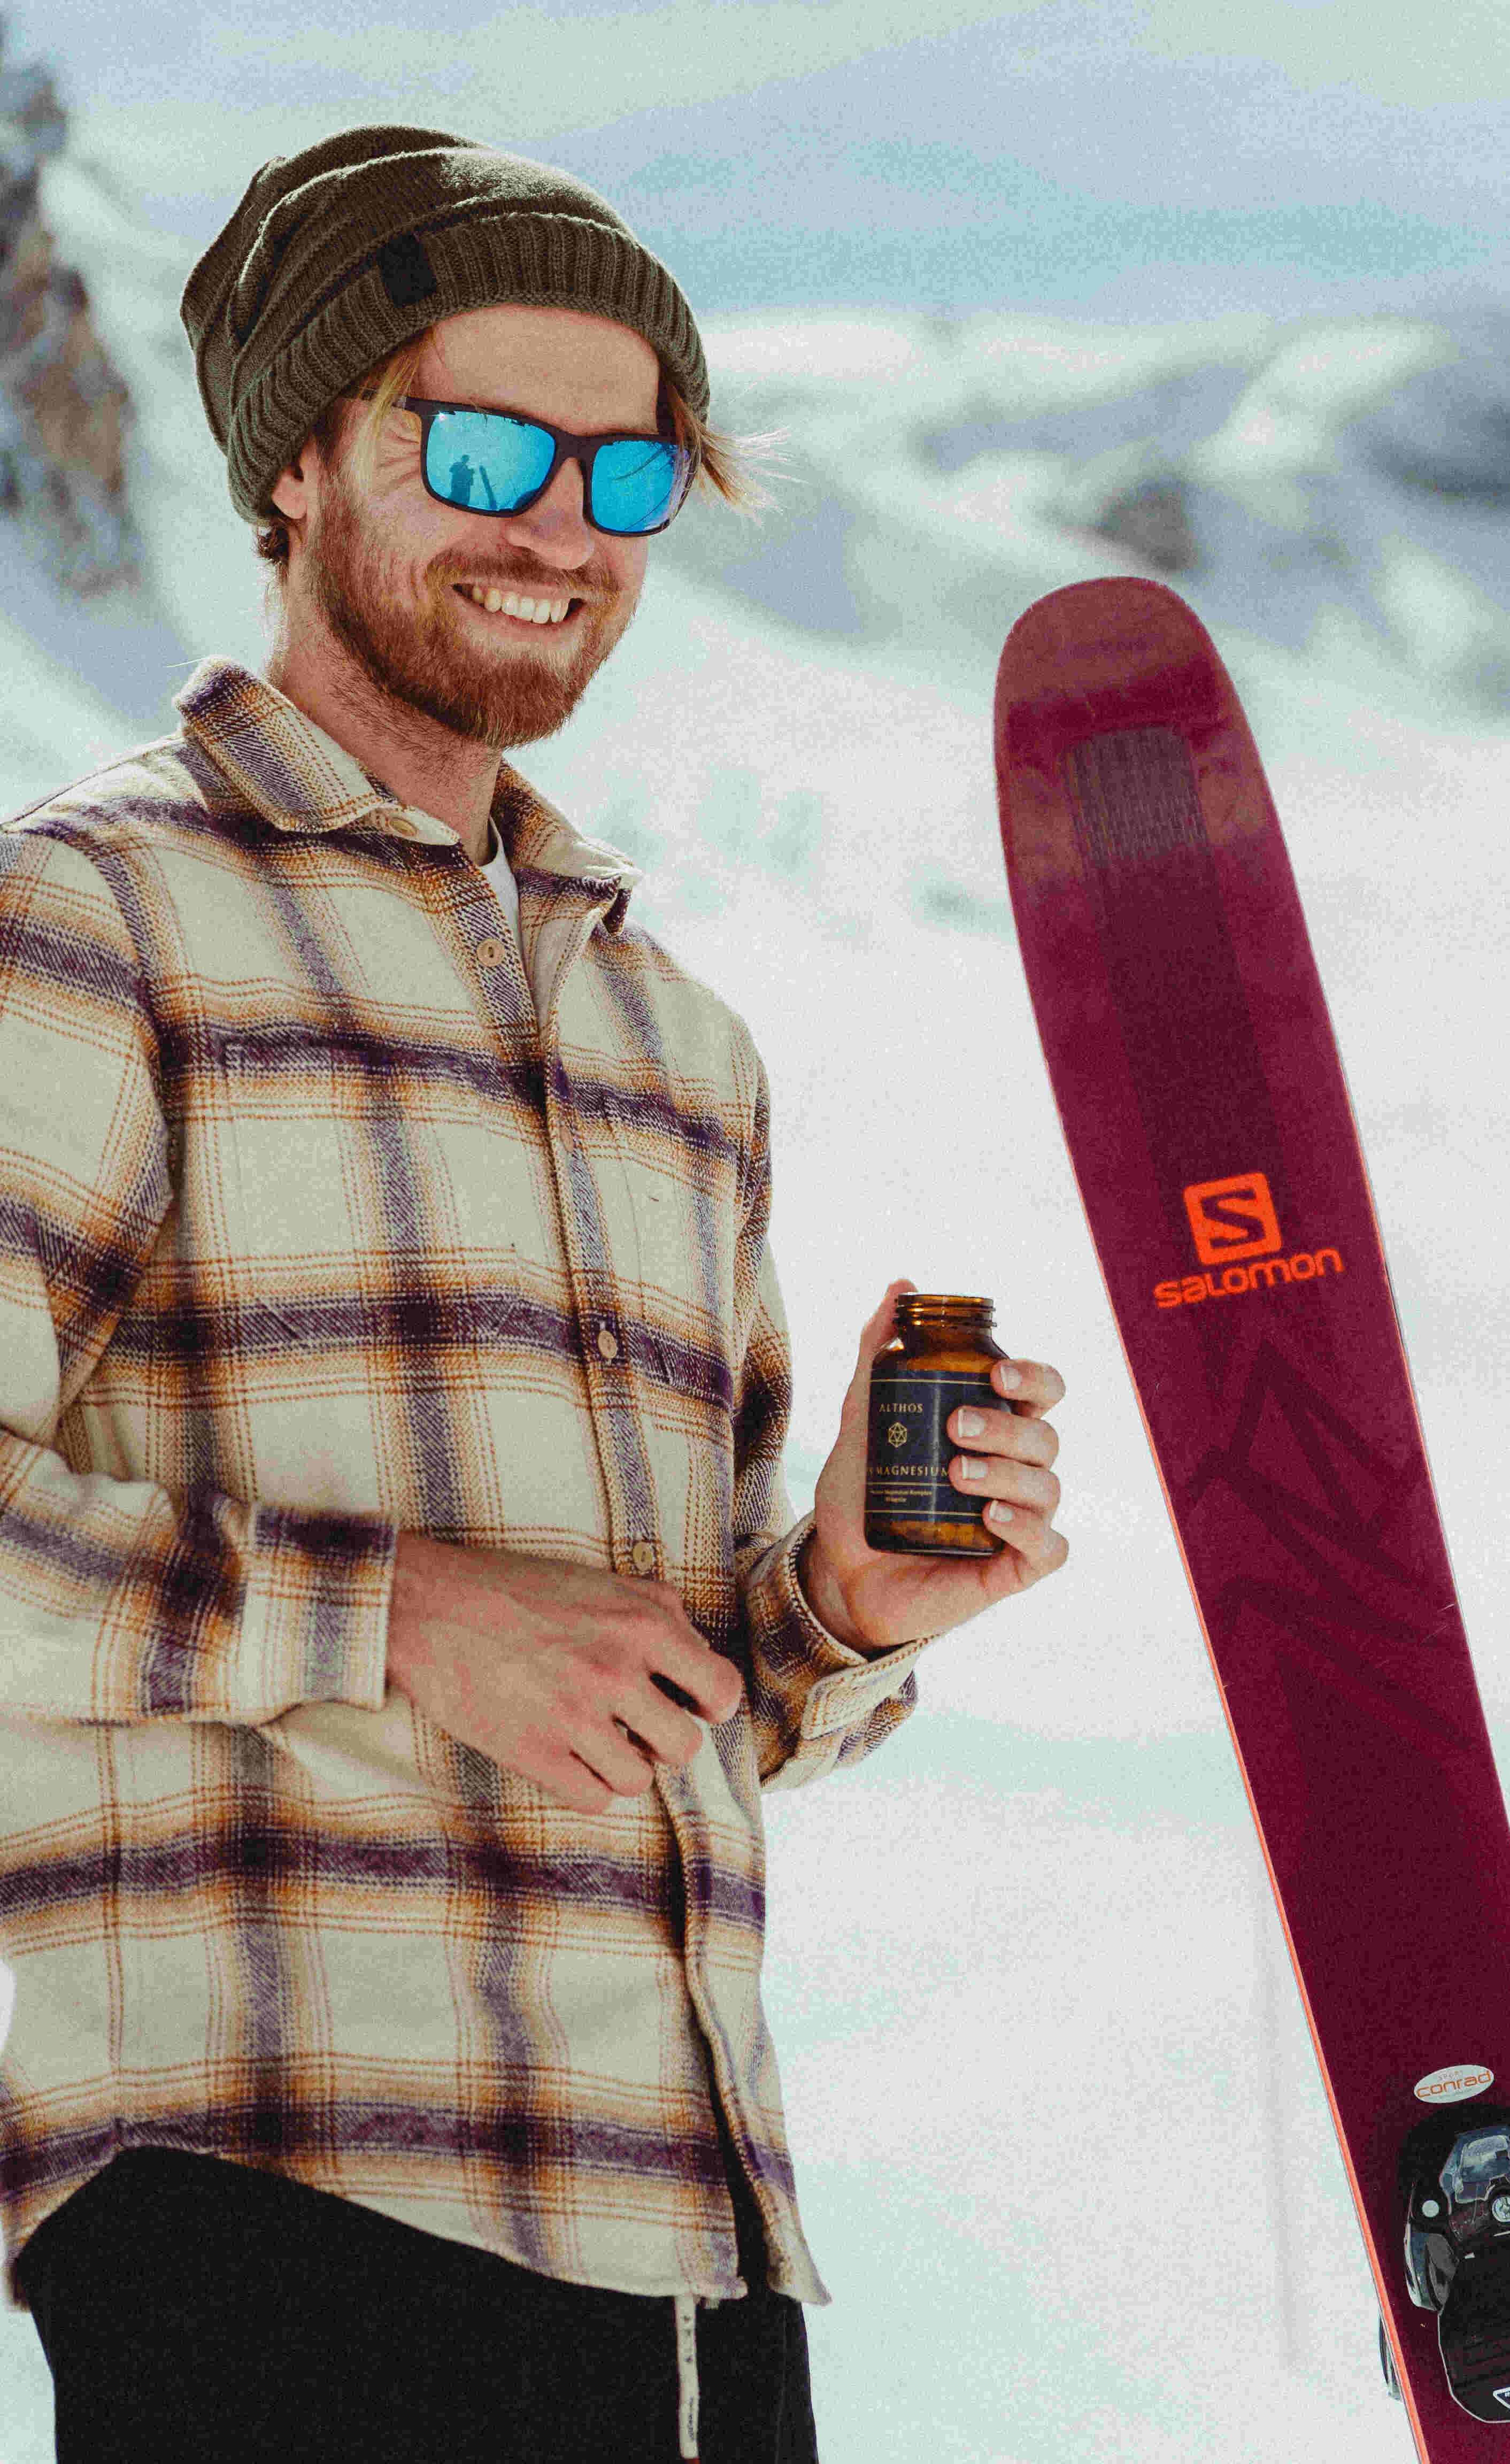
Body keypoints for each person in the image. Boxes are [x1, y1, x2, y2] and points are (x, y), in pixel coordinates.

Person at [0, 125, 1069, 2462]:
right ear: (300, 464)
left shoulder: (672, 1047)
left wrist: (842, 1612)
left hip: (695, 2260)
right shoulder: (86, 931)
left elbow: (661, 1698)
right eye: (480, 445)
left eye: (628, 467)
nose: (559, 523)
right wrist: (399, 1617)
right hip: (269, 2202)